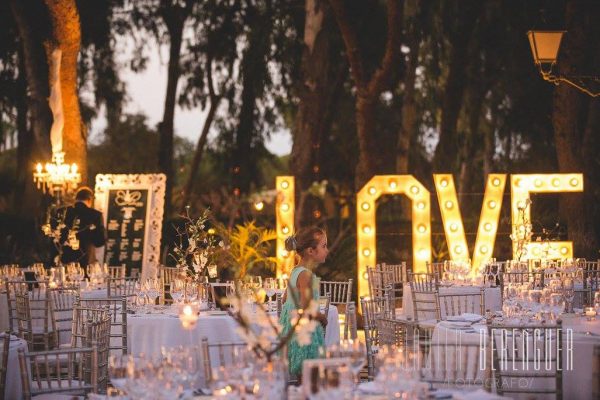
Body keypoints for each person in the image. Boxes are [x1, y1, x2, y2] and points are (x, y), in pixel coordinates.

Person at [279, 226, 329, 379]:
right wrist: (322, 318)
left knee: (303, 376)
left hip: (293, 331)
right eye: (324, 246)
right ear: (311, 251)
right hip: (305, 332)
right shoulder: (306, 275)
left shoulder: (295, 271)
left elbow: (284, 300)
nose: (327, 250)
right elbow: (307, 309)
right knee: (310, 376)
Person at [60, 186, 106, 267]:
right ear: (89, 200)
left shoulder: (62, 212)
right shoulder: (95, 215)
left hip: (65, 262)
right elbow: (100, 242)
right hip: (86, 262)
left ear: (76, 199)